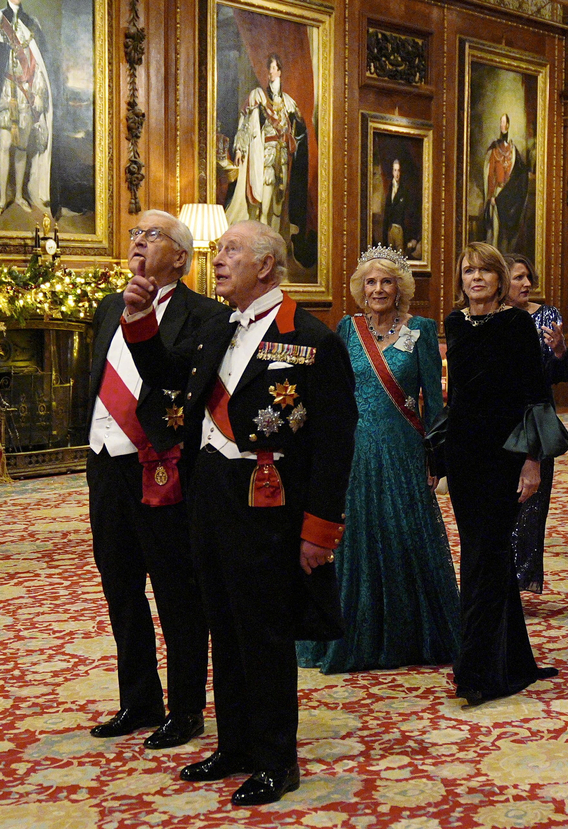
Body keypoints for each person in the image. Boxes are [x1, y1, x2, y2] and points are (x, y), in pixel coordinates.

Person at [121, 219, 357, 806]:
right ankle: (235, 745)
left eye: (231, 251)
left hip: (270, 500)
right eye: (219, 249)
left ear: (267, 266)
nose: (218, 258)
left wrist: (321, 530)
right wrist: (139, 320)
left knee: (263, 632)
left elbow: (335, 440)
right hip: (210, 496)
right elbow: (170, 379)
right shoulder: (214, 327)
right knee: (220, 622)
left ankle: (277, 760)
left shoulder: (309, 337)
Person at [86, 210, 224, 751]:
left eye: (153, 235)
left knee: (176, 593)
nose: (139, 241)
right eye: (134, 232)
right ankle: (138, 699)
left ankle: (185, 708)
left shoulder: (206, 315)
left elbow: (177, 386)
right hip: (105, 464)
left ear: (182, 258)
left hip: (161, 470)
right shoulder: (106, 308)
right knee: (120, 587)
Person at [297, 246, 459, 673]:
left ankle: (412, 633)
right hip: (355, 450)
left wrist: (435, 459)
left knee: (404, 534)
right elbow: (333, 395)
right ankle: (350, 632)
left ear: (400, 287)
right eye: (370, 282)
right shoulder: (346, 331)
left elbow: (435, 404)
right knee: (355, 536)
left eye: (386, 281)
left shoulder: (421, 329)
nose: (378, 289)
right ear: (360, 289)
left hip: (404, 448)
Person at [442, 241, 565, 704]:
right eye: (467, 270)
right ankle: (514, 661)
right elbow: (457, 398)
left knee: (485, 555)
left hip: (506, 454)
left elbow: (534, 395)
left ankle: (476, 672)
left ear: (498, 279)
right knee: (481, 551)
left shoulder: (516, 323)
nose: (475, 278)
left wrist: (532, 461)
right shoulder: (454, 322)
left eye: (484, 272)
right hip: (463, 453)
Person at [504, 254, 568, 594]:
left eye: (528, 277)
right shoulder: (488, 317)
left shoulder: (547, 316)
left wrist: (561, 351)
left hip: (536, 418)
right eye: (519, 277)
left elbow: (559, 374)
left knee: (532, 505)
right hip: (500, 420)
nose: (527, 284)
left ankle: (520, 581)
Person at [221, 54, 308, 245]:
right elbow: (245, 124)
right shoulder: (258, 96)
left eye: (275, 68)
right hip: (266, 154)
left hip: (283, 155)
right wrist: (240, 150)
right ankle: (260, 242)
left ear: (280, 72)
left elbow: (300, 129)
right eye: (270, 68)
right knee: (265, 200)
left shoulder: (288, 102)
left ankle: (275, 243)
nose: (272, 72)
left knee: (279, 201)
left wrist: (295, 140)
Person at [0, 0, 52, 217]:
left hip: (25, 94)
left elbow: (39, 63)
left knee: (21, 147)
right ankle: (3, 197)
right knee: (4, 145)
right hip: (6, 92)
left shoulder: (31, 23)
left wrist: (39, 92)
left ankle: (20, 195)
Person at [482, 114, 529, 251]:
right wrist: (491, 196)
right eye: (501, 122)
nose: (502, 125)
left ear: (508, 125)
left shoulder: (513, 150)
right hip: (497, 194)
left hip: (508, 196)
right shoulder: (495, 149)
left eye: (504, 122)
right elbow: (490, 174)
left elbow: (520, 171)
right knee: (496, 231)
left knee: (506, 231)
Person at [379, 158, 420, 258]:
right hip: (390, 229)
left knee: (400, 260)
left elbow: (411, 214)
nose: (397, 173)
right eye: (395, 170)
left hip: (400, 230)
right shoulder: (389, 188)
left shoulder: (404, 191)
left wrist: (412, 238)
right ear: (392, 172)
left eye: (399, 170)